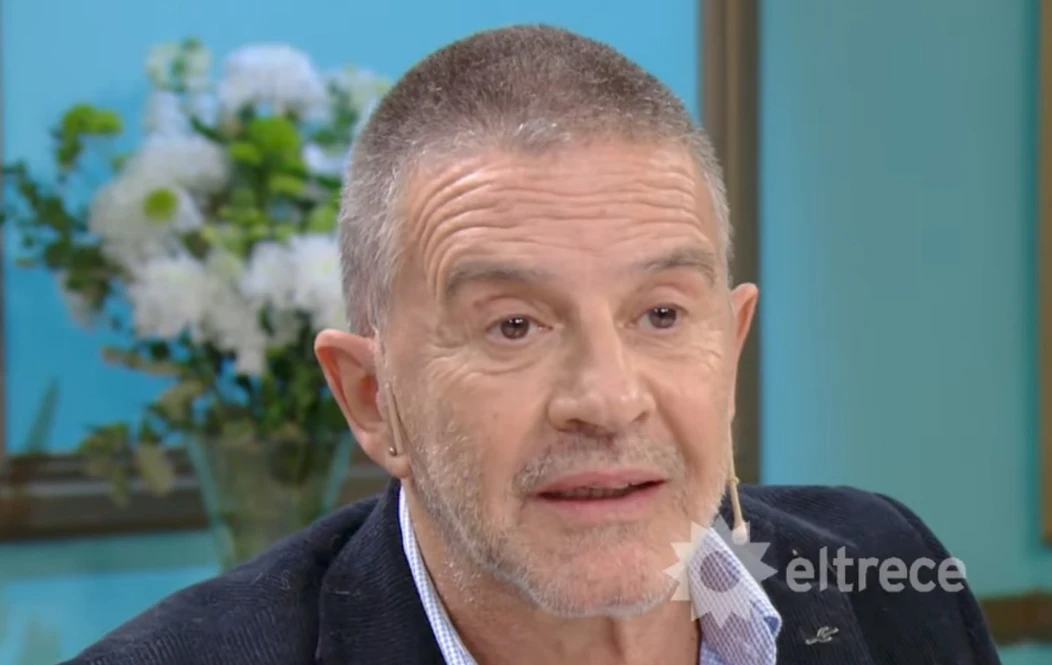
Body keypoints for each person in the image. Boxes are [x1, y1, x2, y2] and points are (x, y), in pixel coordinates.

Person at [64, 24, 1000, 665]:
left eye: (661, 315)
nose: (608, 398)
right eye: (513, 325)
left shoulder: (890, 577)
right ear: (371, 397)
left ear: (732, 346)